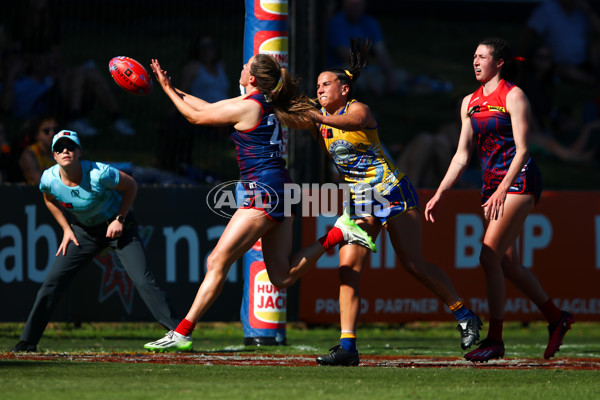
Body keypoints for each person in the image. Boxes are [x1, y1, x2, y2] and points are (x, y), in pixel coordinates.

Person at [143, 53, 377, 352]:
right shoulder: (262, 103)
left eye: (244, 68)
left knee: (217, 260)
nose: (240, 69)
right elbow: (208, 107)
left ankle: (183, 331)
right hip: (282, 188)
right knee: (281, 277)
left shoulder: (249, 106)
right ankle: (339, 233)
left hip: (265, 191)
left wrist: (165, 91)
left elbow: (196, 117)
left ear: (251, 78)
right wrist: (169, 86)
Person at [303, 38, 481, 367]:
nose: (320, 90)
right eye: (317, 86)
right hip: (362, 201)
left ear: (344, 88)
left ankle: (465, 314)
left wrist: (313, 114)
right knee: (348, 270)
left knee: (413, 264)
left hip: (391, 192)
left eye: (325, 84)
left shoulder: (357, 110)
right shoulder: (321, 123)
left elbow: (352, 124)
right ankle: (347, 346)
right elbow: (293, 118)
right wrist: (274, 99)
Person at [424, 38, 574, 363]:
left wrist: (503, 188)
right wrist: (439, 193)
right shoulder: (470, 102)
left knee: (488, 257)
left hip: (519, 181)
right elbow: (462, 156)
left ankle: (495, 339)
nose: (475, 61)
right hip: (493, 186)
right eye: (474, 56)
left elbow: (523, 151)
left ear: (499, 63)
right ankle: (557, 317)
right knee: (507, 265)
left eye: (482, 56)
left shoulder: (514, 95)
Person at [11, 130, 179, 352]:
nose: (65, 151)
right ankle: (27, 341)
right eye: (59, 148)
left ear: (79, 152)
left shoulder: (100, 173)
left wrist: (119, 219)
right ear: (54, 155)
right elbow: (48, 198)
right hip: (84, 232)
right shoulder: (49, 179)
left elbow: (131, 186)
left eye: (70, 147)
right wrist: (65, 228)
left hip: (119, 229)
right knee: (52, 282)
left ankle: (178, 332)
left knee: (142, 280)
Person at [519, 0, 600, 86]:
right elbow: (527, 34)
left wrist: (589, 11)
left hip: (584, 60)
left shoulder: (582, 12)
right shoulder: (547, 10)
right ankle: (594, 81)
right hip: (557, 64)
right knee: (566, 71)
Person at [18, 114, 58, 185]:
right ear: (37, 135)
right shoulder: (29, 154)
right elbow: (40, 183)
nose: (52, 133)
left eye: (55, 130)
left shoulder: (64, 151)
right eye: (46, 131)